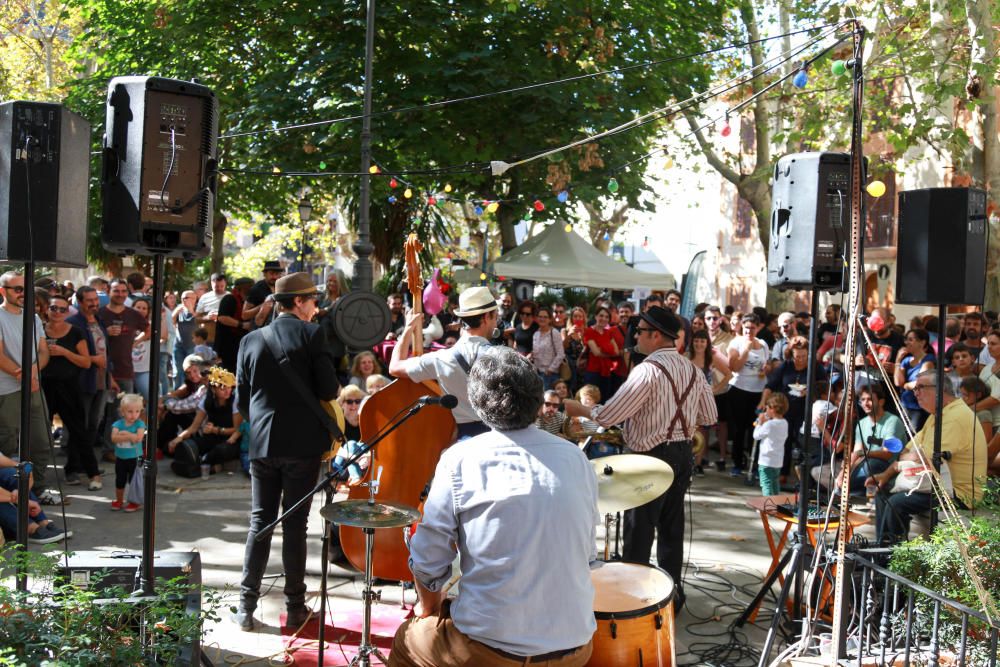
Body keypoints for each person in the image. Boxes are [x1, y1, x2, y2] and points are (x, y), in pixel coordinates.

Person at [389, 346, 598, 667]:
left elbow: (428, 561)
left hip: (490, 650)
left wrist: (428, 607)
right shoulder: (576, 458)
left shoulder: (460, 459)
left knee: (406, 639)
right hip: (575, 647)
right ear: (536, 401)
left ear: (477, 403)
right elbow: (587, 556)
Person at [564, 306, 717, 612]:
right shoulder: (693, 370)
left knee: (639, 530)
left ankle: (634, 602)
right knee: (672, 528)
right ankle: (670, 598)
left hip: (649, 457)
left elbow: (608, 416)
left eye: (641, 332)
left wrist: (577, 408)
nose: (635, 336)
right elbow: (710, 415)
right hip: (682, 453)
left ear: (656, 335)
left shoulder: (647, 369)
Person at [236, 272, 340, 631]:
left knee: (260, 522)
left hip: (263, 444)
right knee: (294, 525)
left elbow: (241, 399)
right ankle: (296, 607)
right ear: (298, 302)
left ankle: (245, 607)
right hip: (302, 446)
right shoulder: (312, 334)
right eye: (313, 301)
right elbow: (329, 391)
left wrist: (263, 427)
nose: (316, 308)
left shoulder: (250, 339)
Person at [867, 371, 988, 545]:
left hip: (958, 493)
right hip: (935, 483)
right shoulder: (938, 415)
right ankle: (883, 547)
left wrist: (907, 459)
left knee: (897, 502)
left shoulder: (955, 416)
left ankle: (891, 557)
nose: (915, 393)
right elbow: (908, 450)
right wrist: (895, 467)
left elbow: (922, 457)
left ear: (939, 390)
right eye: (915, 388)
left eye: (920, 388)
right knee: (883, 491)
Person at [389, 286, 498, 439]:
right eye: (495, 316)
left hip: (466, 437)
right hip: (501, 436)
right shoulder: (502, 356)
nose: (496, 322)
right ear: (486, 317)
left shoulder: (441, 358)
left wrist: (408, 329)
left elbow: (394, 367)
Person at [0, 271, 56, 500]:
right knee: (7, 442)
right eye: (18, 289)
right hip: (7, 389)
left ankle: (37, 492)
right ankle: (6, 496)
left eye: (26, 288)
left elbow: (44, 351)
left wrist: (33, 371)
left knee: (42, 441)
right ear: (3, 291)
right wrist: (21, 374)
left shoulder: (32, 317)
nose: (24, 293)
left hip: (32, 386)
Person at [42, 293, 100, 491]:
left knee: (78, 431)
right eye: (53, 308)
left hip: (69, 386)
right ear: (47, 310)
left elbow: (86, 362)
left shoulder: (75, 332)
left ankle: (91, 473)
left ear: (68, 312)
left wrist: (64, 352)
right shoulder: (39, 329)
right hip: (44, 385)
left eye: (62, 309)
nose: (57, 312)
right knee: (40, 431)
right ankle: (35, 475)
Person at [165, 366, 242, 471]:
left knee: (221, 450)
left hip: (230, 441)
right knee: (185, 445)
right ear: (214, 389)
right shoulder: (207, 401)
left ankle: (204, 465)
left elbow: (237, 430)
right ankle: (206, 466)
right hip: (212, 438)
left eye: (229, 387)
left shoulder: (235, 401)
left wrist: (216, 430)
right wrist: (178, 439)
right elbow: (193, 427)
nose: (227, 391)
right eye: (222, 388)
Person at [841, 383, 906, 495]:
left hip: (892, 468)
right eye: (863, 400)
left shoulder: (892, 421)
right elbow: (856, 453)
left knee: (871, 464)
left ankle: (881, 496)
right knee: (843, 481)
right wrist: (843, 474)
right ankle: (861, 496)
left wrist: (862, 453)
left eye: (870, 399)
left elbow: (888, 454)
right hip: (869, 467)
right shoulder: (861, 423)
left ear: (881, 402)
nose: (865, 403)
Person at [728, 312, 770, 477]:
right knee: (739, 430)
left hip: (758, 391)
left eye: (752, 328)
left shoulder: (764, 344)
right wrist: (746, 349)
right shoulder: (736, 343)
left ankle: (754, 465)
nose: (749, 332)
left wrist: (767, 369)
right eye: (746, 328)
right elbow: (734, 367)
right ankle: (737, 463)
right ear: (742, 327)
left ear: (758, 328)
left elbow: (768, 364)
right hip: (739, 389)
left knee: (756, 429)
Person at [685, 329, 730, 474]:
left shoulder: (711, 357)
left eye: (702, 341)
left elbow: (729, 374)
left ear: (707, 343)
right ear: (692, 342)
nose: (699, 344)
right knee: (688, 431)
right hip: (688, 399)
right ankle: (687, 462)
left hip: (704, 399)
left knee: (702, 431)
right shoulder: (686, 356)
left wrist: (716, 389)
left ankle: (697, 464)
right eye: (696, 340)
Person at [894, 328, 936, 431]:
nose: (906, 343)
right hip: (904, 405)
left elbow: (920, 382)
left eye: (910, 339)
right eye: (906, 339)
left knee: (913, 435)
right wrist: (898, 361)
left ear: (922, 342)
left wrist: (906, 385)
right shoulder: (906, 361)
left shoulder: (929, 359)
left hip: (919, 407)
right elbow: (898, 382)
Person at [110, 393, 145, 512]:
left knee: (134, 481)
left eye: (137, 411)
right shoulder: (117, 424)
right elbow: (114, 438)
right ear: (122, 411)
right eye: (130, 411)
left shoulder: (140, 424)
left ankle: (134, 502)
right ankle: (119, 500)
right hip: (121, 458)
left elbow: (138, 438)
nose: (133, 415)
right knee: (120, 480)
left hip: (136, 458)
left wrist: (125, 434)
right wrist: (130, 436)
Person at [582, 305, 623, 402]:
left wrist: (602, 349)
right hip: (593, 371)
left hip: (606, 372)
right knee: (591, 400)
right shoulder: (589, 331)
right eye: (601, 316)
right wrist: (609, 350)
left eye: (606, 317)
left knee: (604, 400)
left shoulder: (609, 332)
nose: (603, 319)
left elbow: (616, 352)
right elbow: (596, 353)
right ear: (596, 317)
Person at [753, 393, 789, 496]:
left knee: (766, 484)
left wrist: (760, 422)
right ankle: (776, 505)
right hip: (777, 460)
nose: (766, 410)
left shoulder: (769, 424)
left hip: (766, 461)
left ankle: (768, 506)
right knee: (775, 484)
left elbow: (756, 435)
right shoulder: (784, 422)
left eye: (767, 407)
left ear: (772, 409)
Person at [215, 277, 252, 372]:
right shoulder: (229, 299)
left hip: (241, 344)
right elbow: (222, 317)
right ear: (240, 289)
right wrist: (242, 325)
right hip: (228, 345)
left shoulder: (248, 301)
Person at [243, 260, 285, 328]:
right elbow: (244, 315)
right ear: (265, 274)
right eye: (271, 273)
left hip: (278, 328)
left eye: (277, 274)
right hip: (259, 330)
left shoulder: (282, 287)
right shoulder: (256, 289)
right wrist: (262, 306)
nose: (274, 277)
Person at [531, 305, 564, 390]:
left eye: (545, 317)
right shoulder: (536, 334)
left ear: (550, 319)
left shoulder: (554, 333)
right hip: (537, 374)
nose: (542, 319)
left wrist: (550, 370)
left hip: (550, 375)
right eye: (540, 317)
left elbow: (560, 354)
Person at [172, 290, 198, 389]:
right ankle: (176, 394)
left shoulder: (198, 309)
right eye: (182, 298)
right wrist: (175, 313)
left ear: (194, 299)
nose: (183, 300)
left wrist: (191, 311)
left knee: (191, 371)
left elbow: (200, 323)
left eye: (186, 298)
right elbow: (172, 322)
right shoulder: (179, 309)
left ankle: (191, 393)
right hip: (178, 344)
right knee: (177, 371)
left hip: (192, 345)